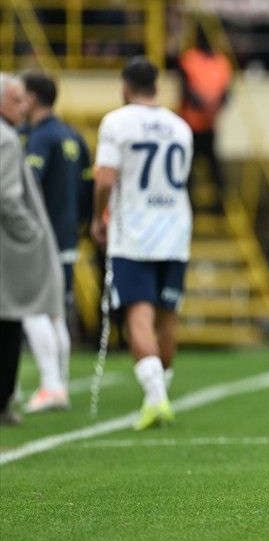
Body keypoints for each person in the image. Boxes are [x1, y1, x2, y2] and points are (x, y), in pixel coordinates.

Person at [91, 58, 193, 431]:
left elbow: (105, 179)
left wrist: (97, 217)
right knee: (168, 318)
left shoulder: (116, 122)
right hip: (176, 231)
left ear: (124, 86)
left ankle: (156, 398)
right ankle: (159, 395)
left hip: (134, 232)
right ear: (157, 86)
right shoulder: (180, 126)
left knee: (139, 316)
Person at [19, 72, 93, 414]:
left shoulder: (39, 138)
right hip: (67, 236)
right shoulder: (73, 136)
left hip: (39, 238)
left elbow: (29, 186)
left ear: (32, 98)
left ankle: (51, 385)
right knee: (57, 312)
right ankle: (60, 381)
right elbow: (88, 186)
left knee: (35, 310)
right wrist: (81, 224)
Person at [0, 73, 64, 426]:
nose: (23, 106)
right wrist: (33, 233)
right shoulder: (7, 139)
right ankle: (12, 397)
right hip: (10, 250)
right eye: (16, 99)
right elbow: (8, 198)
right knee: (15, 321)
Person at [178, 30, 232, 212]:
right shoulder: (189, 59)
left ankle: (221, 206)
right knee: (188, 167)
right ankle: (188, 205)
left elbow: (227, 93)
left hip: (210, 125)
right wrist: (204, 105)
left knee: (214, 167)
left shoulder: (222, 62)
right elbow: (185, 90)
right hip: (191, 124)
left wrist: (214, 106)